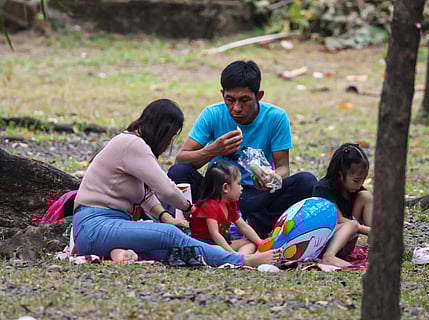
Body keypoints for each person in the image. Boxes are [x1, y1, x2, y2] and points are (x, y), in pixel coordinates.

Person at [72, 98, 281, 267]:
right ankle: (242, 261)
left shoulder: (132, 144)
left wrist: (165, 216)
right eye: (171, 136)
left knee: (170, 249)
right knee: (169, 235)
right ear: (162, 129)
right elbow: (165, 189)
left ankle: (121, 253)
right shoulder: (131, 144)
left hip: (106, 227)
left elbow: (145, 194)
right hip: (95, 225)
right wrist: (188, 208)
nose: (169, 144)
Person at [168, 60, 317, 238]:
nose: (236, 108)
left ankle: (252, 225)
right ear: (222, 94)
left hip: (255, 195)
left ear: (259, 96)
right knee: (179, 171)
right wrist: (213, 150)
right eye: (229, 100)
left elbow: (283, 167)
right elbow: (181, 158)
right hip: (217, 195)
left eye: (244, 100)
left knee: (306, 182)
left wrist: (272, 178)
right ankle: (206, 222)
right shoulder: (213, 114)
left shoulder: (276, 117)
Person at [312, 142, 373, 267]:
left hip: (345, 241)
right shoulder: (324, 189)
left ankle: (379, 245)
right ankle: (329, 257)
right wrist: (368, 230)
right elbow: (338, 220)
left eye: (363, 179)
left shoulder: (356, 191)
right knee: (351, 225)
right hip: (322, 241)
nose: (359, 184)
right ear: (340, 174)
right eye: (356, 180)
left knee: (366, 196)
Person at [190, 161, 265, 254]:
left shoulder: (230, 204)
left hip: (221, 243)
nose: (241, 188)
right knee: (219, 249)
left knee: (251, 243)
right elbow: (215, 234)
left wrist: (260, 242)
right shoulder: (209, 206)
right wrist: (231, 253)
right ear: (225, 187)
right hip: (205, 245)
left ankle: (242, 258)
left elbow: (243, 226)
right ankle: (237, 258)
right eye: (239, 184)